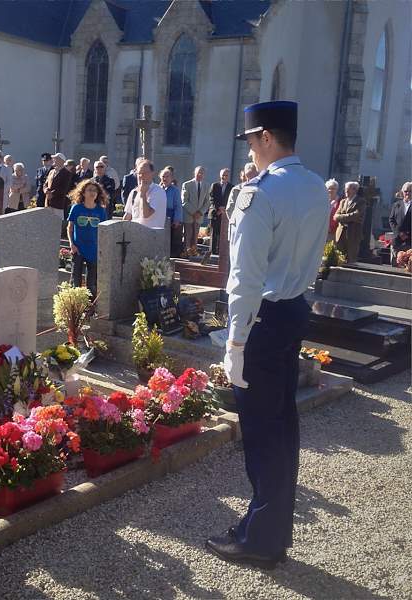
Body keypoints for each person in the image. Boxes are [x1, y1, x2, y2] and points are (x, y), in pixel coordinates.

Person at [205, 100, 329, 570]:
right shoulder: (315, 185)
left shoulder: (257, 193)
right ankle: (272, 531)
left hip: (263, 320)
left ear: (267, 138)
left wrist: (235, 343)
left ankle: (259, 538)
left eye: (253, 141)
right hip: (294, 309)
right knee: (282, 426)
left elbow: (245, 278)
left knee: (262, 433)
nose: (251, 151)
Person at [67, 179, 108, 299]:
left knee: (92, 283)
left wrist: (101, 248)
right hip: (78, 248)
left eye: (95, 190)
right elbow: (70, 228)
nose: (92, 192)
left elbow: (104, 231)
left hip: (94, 249)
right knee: (76, 281)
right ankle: (74, 305)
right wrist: (72, 244)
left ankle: (91, 306)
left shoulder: (101, 210)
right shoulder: (76, 208)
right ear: (83, 193)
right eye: (89, 190)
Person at [123, 158, 167, 228]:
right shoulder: (134, 192)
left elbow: (146, 214)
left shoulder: (158, 191)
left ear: (152, 173)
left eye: (144, 173)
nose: (141, 176)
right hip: (135, 232)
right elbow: (128, 216)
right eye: (139, 173)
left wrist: (143, 195)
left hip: (152, 233)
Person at [181, 166, 210, 257]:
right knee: (188, 236)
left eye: (202, 173)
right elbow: (184, 201)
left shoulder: (206, 186)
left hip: (199, 217)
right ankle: (186, 254)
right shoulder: (187, 184)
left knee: (195, 237)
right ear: (194, 173)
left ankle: (194, 254)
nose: (200, 175)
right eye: (198, 173)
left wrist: (200, 212)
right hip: (189, 215)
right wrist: (193, 212)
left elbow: (207, 201)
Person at [334, 181, 365, 262]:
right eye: (345, 189)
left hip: (353, 234)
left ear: (355, 190)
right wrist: (347, 218)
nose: (346, 191)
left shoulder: (361, 201)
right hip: (340, 233)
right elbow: (335, 216)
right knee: (339, 257)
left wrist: (341, 217)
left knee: (350, 258)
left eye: (348, 189)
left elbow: (356, 215)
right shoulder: (343, 201)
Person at [209, 168, 234, 254]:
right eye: (223, 175)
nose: (224, 177)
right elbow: (211, 198)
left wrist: (224, 209)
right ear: (220, 175)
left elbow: (231, 200)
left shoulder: (232, 187)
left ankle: (221, 252)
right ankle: (212, 252)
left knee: (223, 234)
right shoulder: (214, 185)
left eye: (226, 175)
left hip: (225, 214)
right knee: (214, 233)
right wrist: (218, 208)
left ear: (228, 176)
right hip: (215, 213)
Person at [160, 167, 183, 257]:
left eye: (167, 176)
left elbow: (178, 206)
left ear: (171, 178)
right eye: (163, 176)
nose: (165, 178)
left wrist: (176, 220)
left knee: (170, 241)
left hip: (170, 217)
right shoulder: (157, 189)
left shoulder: (175, 190)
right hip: (159, 216)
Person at [44, 152, 72, 218]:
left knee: (57, 222)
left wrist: (52, 194)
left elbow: (64, 188)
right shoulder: (51, 171)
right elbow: (45, 184)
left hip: (58, 204)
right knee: (47, 221)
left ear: (61, 161)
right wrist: (45, 190)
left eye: (55, 159)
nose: (53, 160)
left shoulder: (67, 173)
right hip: (48, 202)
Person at [389, 181, 412, 262]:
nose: (408, 193)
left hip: (410, 240)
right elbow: (391, 220)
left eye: (410, 191)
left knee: (408, 264)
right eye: (406, 191)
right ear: (402, 192)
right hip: (397, 240)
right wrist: (399, 233)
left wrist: (407, 234)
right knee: (396, 263)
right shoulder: (396, 205)